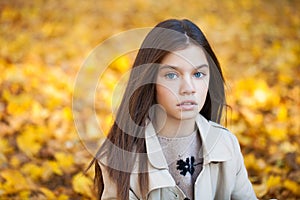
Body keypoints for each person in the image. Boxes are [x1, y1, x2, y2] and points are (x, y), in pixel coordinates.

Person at [91, 19, 257, 200]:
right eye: (172, 75)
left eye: (198, 74)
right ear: (150, 80)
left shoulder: (226, 144)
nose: (188, 88)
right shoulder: (119, 157)